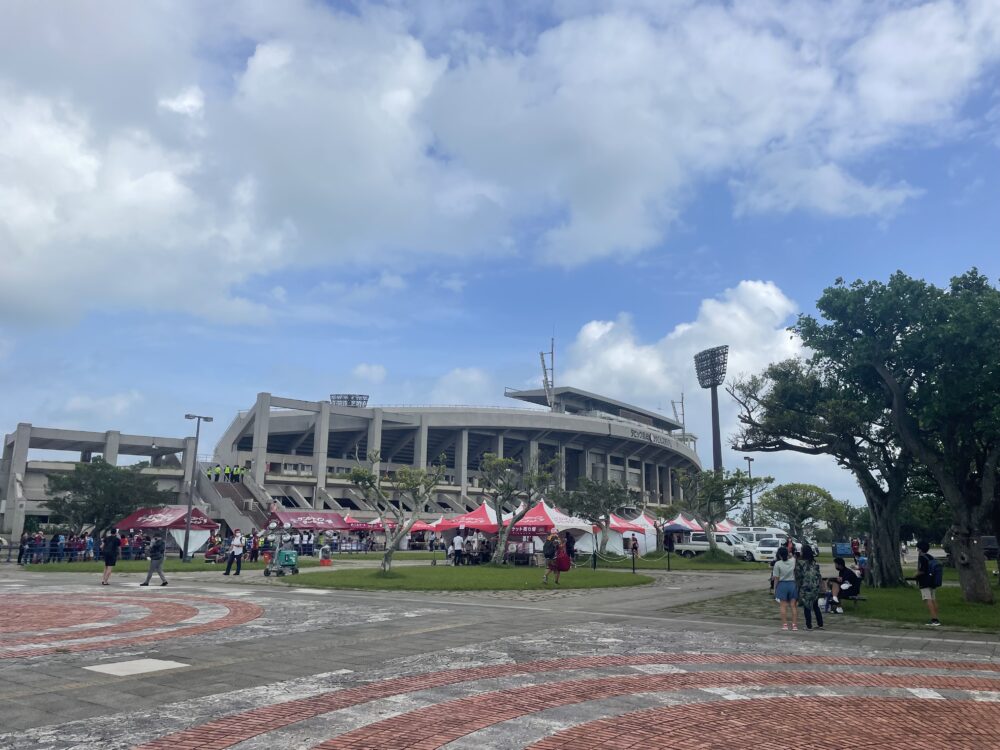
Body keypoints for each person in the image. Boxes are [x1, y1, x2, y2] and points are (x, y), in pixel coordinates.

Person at [795, 544, 825, 630]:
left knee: (807, 606)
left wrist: (798, 586)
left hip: (805, 586)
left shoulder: (800, 562)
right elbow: (818, 574)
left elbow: (798, 576)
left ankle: (809, 625)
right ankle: (820, 624)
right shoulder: (814, 562)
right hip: (815, 586)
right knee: (815, 605)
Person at [912, 540, 941, 626]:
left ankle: (934, 620)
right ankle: (936, 617)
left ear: (920, 549)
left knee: (928, 600)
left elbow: (922, 570)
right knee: (933, 599)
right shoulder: (930, 557)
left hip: (925, 582)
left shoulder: (922, 557)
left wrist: (915, 574)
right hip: (932, 581)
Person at [771, 546, 798, 631]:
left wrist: (775, 588)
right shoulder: (793, 561)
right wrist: (789, 553)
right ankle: (794, 625)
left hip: (782, 585)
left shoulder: (778, 564)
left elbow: (776, 578)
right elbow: (793, 555)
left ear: (779, 555)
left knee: (783, 606)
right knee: (793, 606)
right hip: (792, 584)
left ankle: (785, 624)